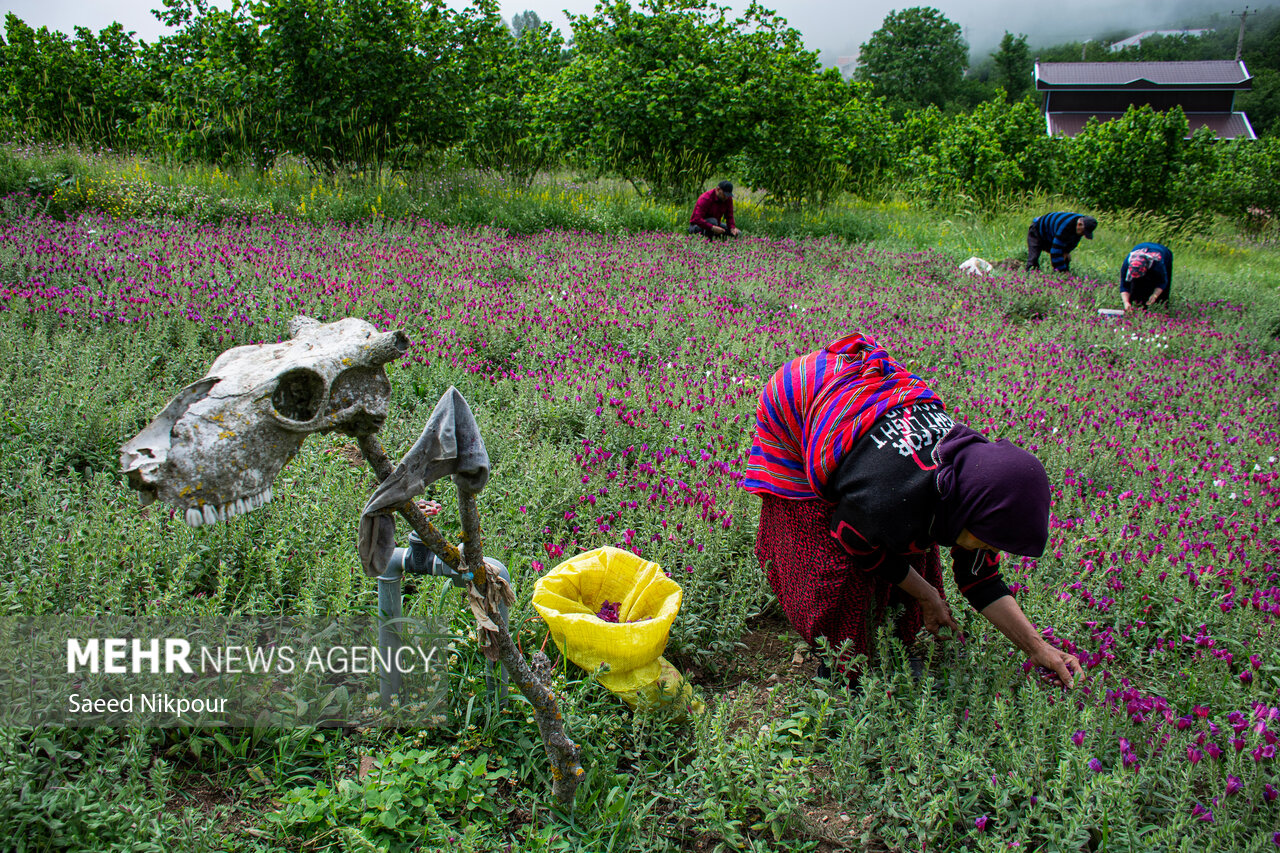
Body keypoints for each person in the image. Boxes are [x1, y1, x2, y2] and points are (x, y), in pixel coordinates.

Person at [744, 333, 1083, 687]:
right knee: (832, 562)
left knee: (919, 535)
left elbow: (981, 579)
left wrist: (1038, 647)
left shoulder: (971, 489)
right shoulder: (889, 496)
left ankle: (895, 641)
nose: (991, 551)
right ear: (969, 512)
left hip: (880, 413)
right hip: (801, 393)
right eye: (987, 542)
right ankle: (841, 663)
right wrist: (926, 594)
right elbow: (853, 538)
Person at [1026, 212, 1097, 273]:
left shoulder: (1080, 226)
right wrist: (1062, 271)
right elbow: (1055, 252)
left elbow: (1072, 244)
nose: (1083, 235)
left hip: (1051, 233)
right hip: (1037, 229)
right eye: (1083, 232)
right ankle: (1029, 277)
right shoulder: (1065, 226)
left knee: (1066, 258)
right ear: (1079, 224)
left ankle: (1058, 277)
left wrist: (1066, 252)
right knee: (1033, 260)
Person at [1120, 242, 1172, 311]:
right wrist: (1126, 302)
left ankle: (1160, 312)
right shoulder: (1126, 263)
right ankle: (1136, 307)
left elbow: (1163, 282)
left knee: (1161, 294)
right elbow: (1124, 285)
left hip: (1164, 252)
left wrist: (1155, 295)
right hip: (1140, 247)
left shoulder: (1157, 264)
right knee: (1135, 286)